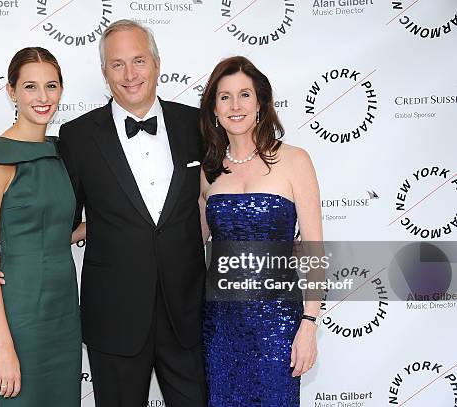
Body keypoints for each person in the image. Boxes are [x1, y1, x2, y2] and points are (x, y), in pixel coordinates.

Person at [58, 20, 208, 406]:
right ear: (104, 72)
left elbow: (224, 195)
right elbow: (64, 218)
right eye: (117, 64)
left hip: (187, 313)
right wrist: (6, 244)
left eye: (138, 60)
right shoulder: (76, 136)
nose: (130, 74)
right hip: (114, 316)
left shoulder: (198, 124)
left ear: (157, 63)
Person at [0, 47, 82, 406]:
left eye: (51, 86)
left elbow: (54, 233)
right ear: (12, 91)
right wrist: (4, 348)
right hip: (18, 315)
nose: (42, 98)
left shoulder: (61, 154)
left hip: (64, 312)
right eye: (30, 87)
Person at [198, 56, 322, 406]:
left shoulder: (295, 160)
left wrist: (309, 323)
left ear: (260, 103)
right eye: (224, 97)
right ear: (214, 109)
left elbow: (313, 249)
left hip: (278, 324)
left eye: (244, 95)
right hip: (220, 326)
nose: (235, 106)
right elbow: (191, 246)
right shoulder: (208, 171)